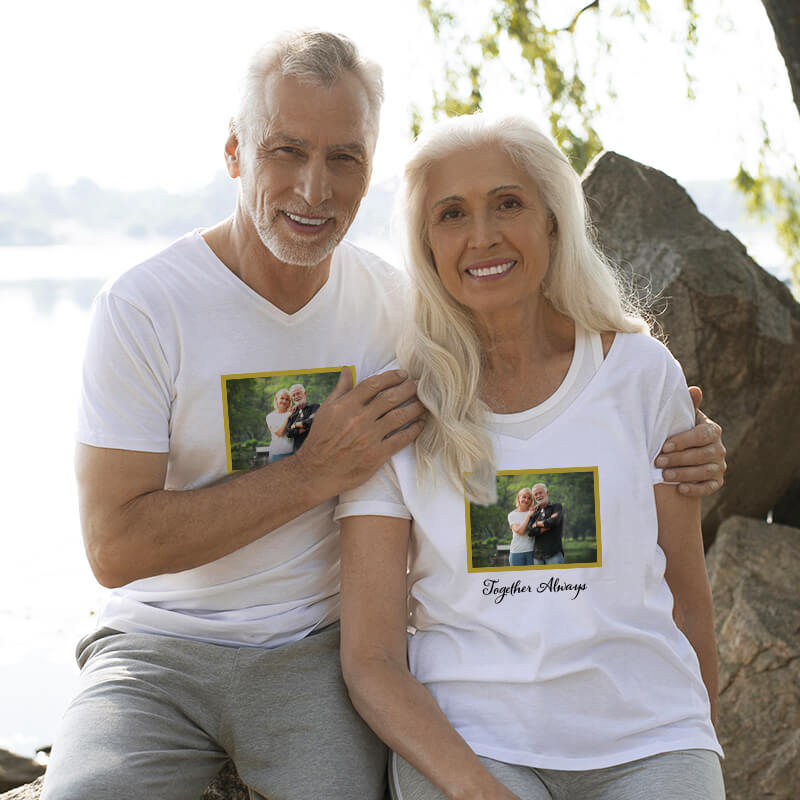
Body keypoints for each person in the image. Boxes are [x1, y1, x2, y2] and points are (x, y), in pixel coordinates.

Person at [41, 31, 725, 800]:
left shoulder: (400, 315)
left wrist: (685, 437)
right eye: (285, 152)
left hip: (315, 648)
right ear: (234, 153)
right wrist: (314, 473)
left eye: (343, 158)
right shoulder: (143, 308)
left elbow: (573, 401)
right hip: (156, 646)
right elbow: (112, 548)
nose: (313, 189)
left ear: (370, 169)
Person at [337, 113, 725, 799]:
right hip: (473, 746)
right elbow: (371, 660)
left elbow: (690, 604)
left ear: (552, 220)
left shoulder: (642, 376)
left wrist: (700, 751)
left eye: (508, 203)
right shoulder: (397, 409)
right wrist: (479, 790)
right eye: (451, 214)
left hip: (649, 738)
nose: (482, 236)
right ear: (426, 244)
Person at [526, 483, 565, 565]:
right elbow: (529, 531)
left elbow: (554, 522)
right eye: (536, 494)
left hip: (554, 554)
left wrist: (536, 524)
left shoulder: (556, 506)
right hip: (537, 557)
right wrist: (546, 526)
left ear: (547, 493)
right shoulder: (535, 512)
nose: (538, 496)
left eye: (540, 493)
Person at [285, 383, 320, 451]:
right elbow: (289, 433)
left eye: (298, 393)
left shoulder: (315, 407)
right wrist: (307, 427)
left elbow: (313, 420)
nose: (296, 397)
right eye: (293, 395)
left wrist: (295, 425)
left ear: (305, 393)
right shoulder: (293, 414)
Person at [507, 487, 536, 566]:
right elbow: (520, 532)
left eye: (529, 498)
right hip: (516, 553)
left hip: (532, 552)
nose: (526, 500)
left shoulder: (534, 513)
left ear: (531, 501)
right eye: (524, 497)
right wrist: (528, 516)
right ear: (518, 497)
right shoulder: (512, 515)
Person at [266, 388, 293, 462]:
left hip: (291, 453)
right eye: (282, 398)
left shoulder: (292, 414)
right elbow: (279, 433)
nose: (284, 401)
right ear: (276, 399)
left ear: (289, 402)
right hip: (277, 454)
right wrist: (287, 417)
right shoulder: (270, 416)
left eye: (287, 399)